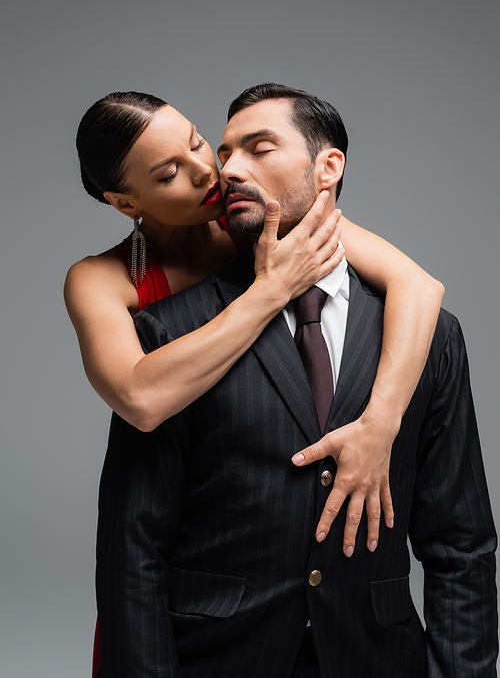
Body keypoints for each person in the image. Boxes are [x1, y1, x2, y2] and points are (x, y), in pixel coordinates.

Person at [101, 83, 496, 676]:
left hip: (376, 656)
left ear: (329, 166)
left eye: (259, 148)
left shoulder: (430, 335)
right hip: (219, 657)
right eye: (226, 151)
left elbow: (460, 545)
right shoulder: (172, 331)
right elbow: (134, 547)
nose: (228, 168)